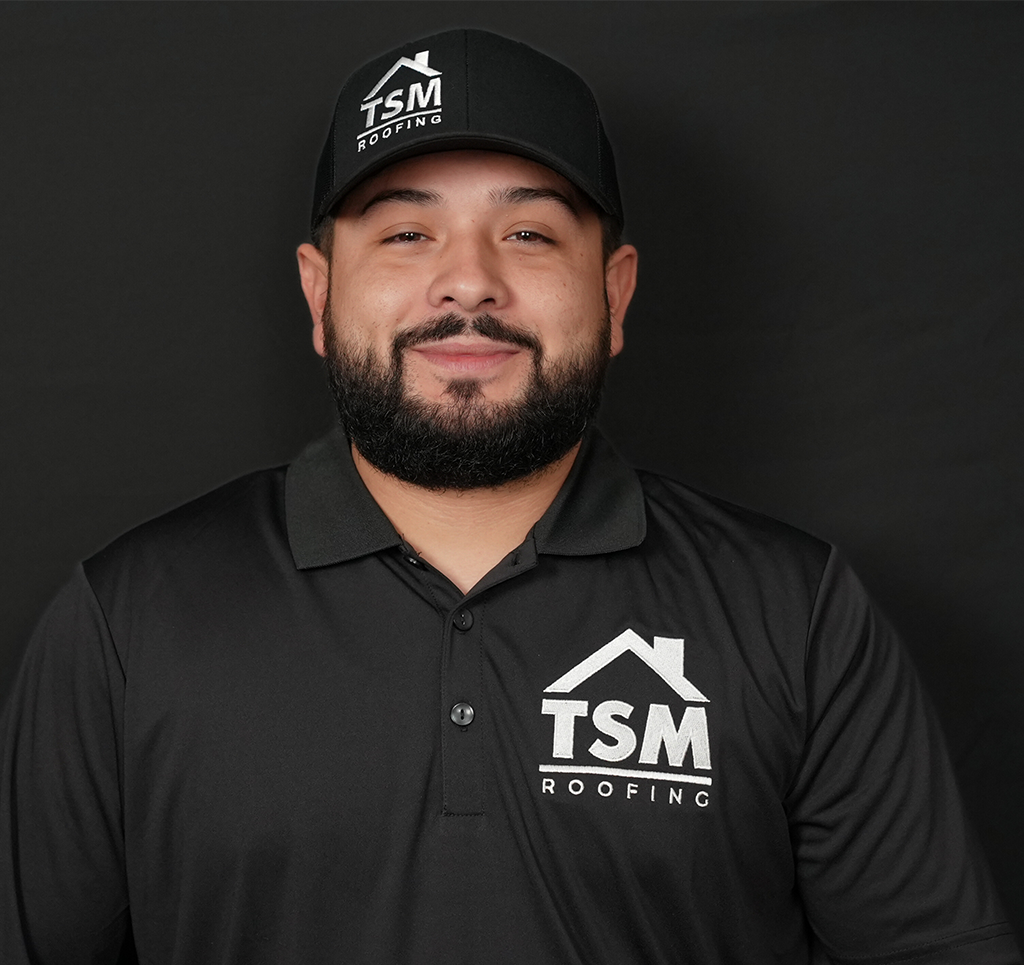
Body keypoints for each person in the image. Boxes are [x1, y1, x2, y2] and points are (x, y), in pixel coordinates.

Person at [0, 27, 1019, 965]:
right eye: (406, 234)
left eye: (528, 233)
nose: (469, 283)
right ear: (318, 292)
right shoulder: (129, 620)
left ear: (614, 291)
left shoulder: (795, 613)